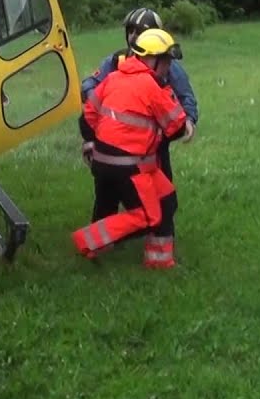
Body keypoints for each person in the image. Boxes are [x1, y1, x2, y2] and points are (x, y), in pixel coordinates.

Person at [72, 28, 189, 269]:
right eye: (166, 60)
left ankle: (159, 260)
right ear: (151, 59)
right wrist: (167, 95)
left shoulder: (113, 78)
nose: (169, 67)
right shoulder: (153, 86)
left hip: (105, 162)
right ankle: (89, 239)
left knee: (167, 199)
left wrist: (99, 142)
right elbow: (176, 127)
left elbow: (87, 117)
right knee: (149, 216)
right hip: (130, 167)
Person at [79, 7, 198, 223]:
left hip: (155, 145)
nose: (133, 36)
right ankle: (103, 235)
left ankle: (154, 233)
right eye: (130, 30)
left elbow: (186, 96)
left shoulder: (169, 66)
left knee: (163, 197)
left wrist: (189, 119)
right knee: (107, 199)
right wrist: (99, 103)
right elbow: (89, 85)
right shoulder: (116, 61)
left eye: (140, 31)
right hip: (114, 143)